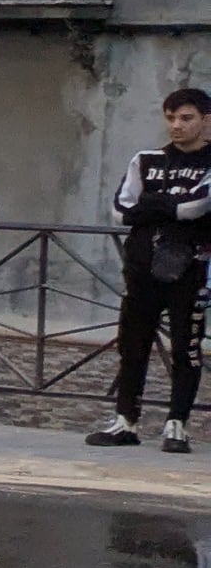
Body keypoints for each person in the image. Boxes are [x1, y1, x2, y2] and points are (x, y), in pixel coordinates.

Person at [93, 86, 211, 450]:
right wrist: (168, 206)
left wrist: (152, 204)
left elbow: (197, 207)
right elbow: (120, 211)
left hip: (189, 269)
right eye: (171, 117)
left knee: (185, 348)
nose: (176, 125)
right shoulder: (145, 160)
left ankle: (177, 424)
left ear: (206, 121)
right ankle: (125, 420)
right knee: (132, 344)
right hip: (141, 267)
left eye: (186, 118)